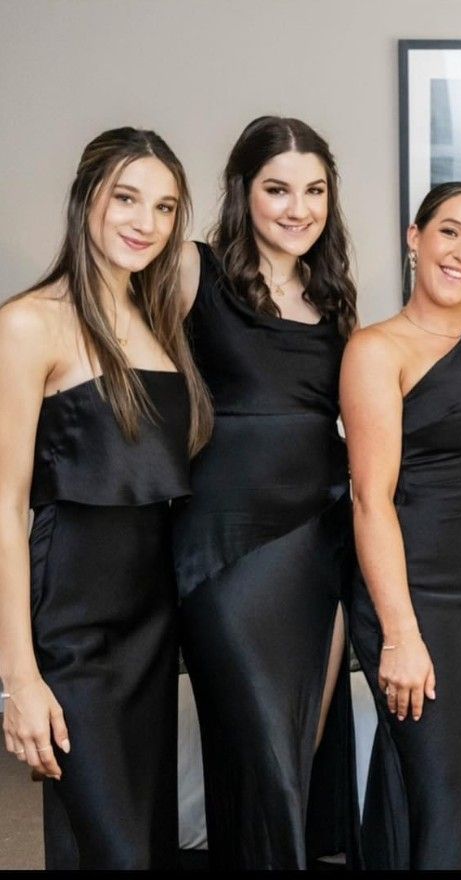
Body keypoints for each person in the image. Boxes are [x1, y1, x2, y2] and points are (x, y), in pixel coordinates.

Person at [0, 128, 211, 868]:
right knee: (113, 848)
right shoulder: (28, 323)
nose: (144, 222)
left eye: (163, 207)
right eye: (126, 197)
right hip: (74, 625)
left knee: (139, 845)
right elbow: (3, 505)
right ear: (87, 197)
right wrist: (18, 678)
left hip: (150, 623)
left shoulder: (158, 320)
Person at [172, 116, 359, 868]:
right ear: (242, 192)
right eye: (277, 189)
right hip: (224, 547)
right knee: (258, 753)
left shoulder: (334, 294)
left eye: (314, 190)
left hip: (318, 542)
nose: (298, 207)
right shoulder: (193, 269)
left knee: (298, 758)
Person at [343, 181, 461, 869]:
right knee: (443, 787)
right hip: (421, 594)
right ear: (414, 236)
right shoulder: (376, 350)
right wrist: (399, 634)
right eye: (449, 231)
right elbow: (370, 500)